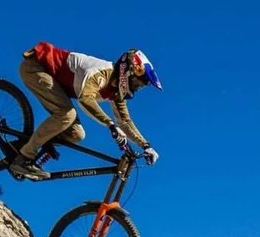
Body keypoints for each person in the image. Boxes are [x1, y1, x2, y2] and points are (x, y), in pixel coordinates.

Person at [11, 43, 162, 178]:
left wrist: (146, 146)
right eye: (137, 82)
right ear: (127, 71)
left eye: (140, 86)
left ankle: (26, 147)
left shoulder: (117, 93)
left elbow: (125, 121)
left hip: (54, 79)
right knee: (66, 114)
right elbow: (85, 99)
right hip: (36, 66)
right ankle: (24, 158)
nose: (136, 88)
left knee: (77, 134)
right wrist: (110, 124)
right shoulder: (101, 74)